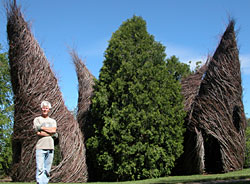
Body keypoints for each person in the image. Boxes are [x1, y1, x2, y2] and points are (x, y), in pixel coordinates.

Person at [33, 101, 57, 184]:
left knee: (47, 169)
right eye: (43, 107)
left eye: (46, 108)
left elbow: (54, 131)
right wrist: (49, 133)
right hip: (40, 147)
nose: (45, 109)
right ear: (41, 108)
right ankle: (39, 182)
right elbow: (38, 133)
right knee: (40, 168)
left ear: (49, 109)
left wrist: (42, 127)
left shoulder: (53, 121)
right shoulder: (37, 120)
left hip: (50, 147)